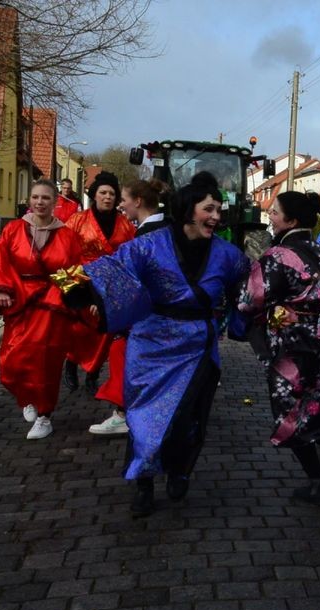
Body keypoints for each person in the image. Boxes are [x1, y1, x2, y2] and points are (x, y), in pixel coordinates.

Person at [57, 172, 250, 516]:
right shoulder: (150, 245)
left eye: (219, 209)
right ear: (189, 209)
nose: (217, 217)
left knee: (188, 418)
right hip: (151, 343)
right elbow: (110, 269)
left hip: (198, 345)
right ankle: (143, 484)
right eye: (210, 209)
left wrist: (258, 311)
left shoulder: (228, 254)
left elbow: (249, 285)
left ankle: (179, 469)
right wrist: (73, 286)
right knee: (144, 419)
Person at [238, 191, 320, 506]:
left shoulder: (277, 256)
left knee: (290, 414)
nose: (270, 216)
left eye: (275, 212)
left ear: (291, 220)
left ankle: (318, 481)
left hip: (291, 347)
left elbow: (248, 300)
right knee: (314, 408)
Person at [0, 179, 83, 440]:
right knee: (12, 360)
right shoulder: (13, 229)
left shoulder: (67, 235)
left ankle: (45, 415)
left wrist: (70, 297)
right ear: (29, 200)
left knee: (45, 360)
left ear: (55, 201)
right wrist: (1, 288)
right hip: (20, 300)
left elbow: (74, 269)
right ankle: (26, 396)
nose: (40, 202)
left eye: (45, 198)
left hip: (52, 303)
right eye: (35, 197)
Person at [85, 178, 172, 436]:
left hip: (147, 313)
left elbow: (134, 281)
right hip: (160, 312)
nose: (120, 205)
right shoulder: (167, 228)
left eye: (123, 199)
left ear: (138, 201)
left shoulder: (146, 235)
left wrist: (103, 301)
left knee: (123, 354)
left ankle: (124, 413)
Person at [62, 171, 135, 395]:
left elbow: (129, 257)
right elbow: (63, 251)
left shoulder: (125, 224)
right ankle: (71, 364)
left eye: (112, 193)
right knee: (76, 326)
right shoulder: (77, 219)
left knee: (105, 329)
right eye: (103, 192)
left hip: (110, 282)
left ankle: (93, 374)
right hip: (79, 276)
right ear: (94, 195)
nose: (107, 197)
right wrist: (66, 286)